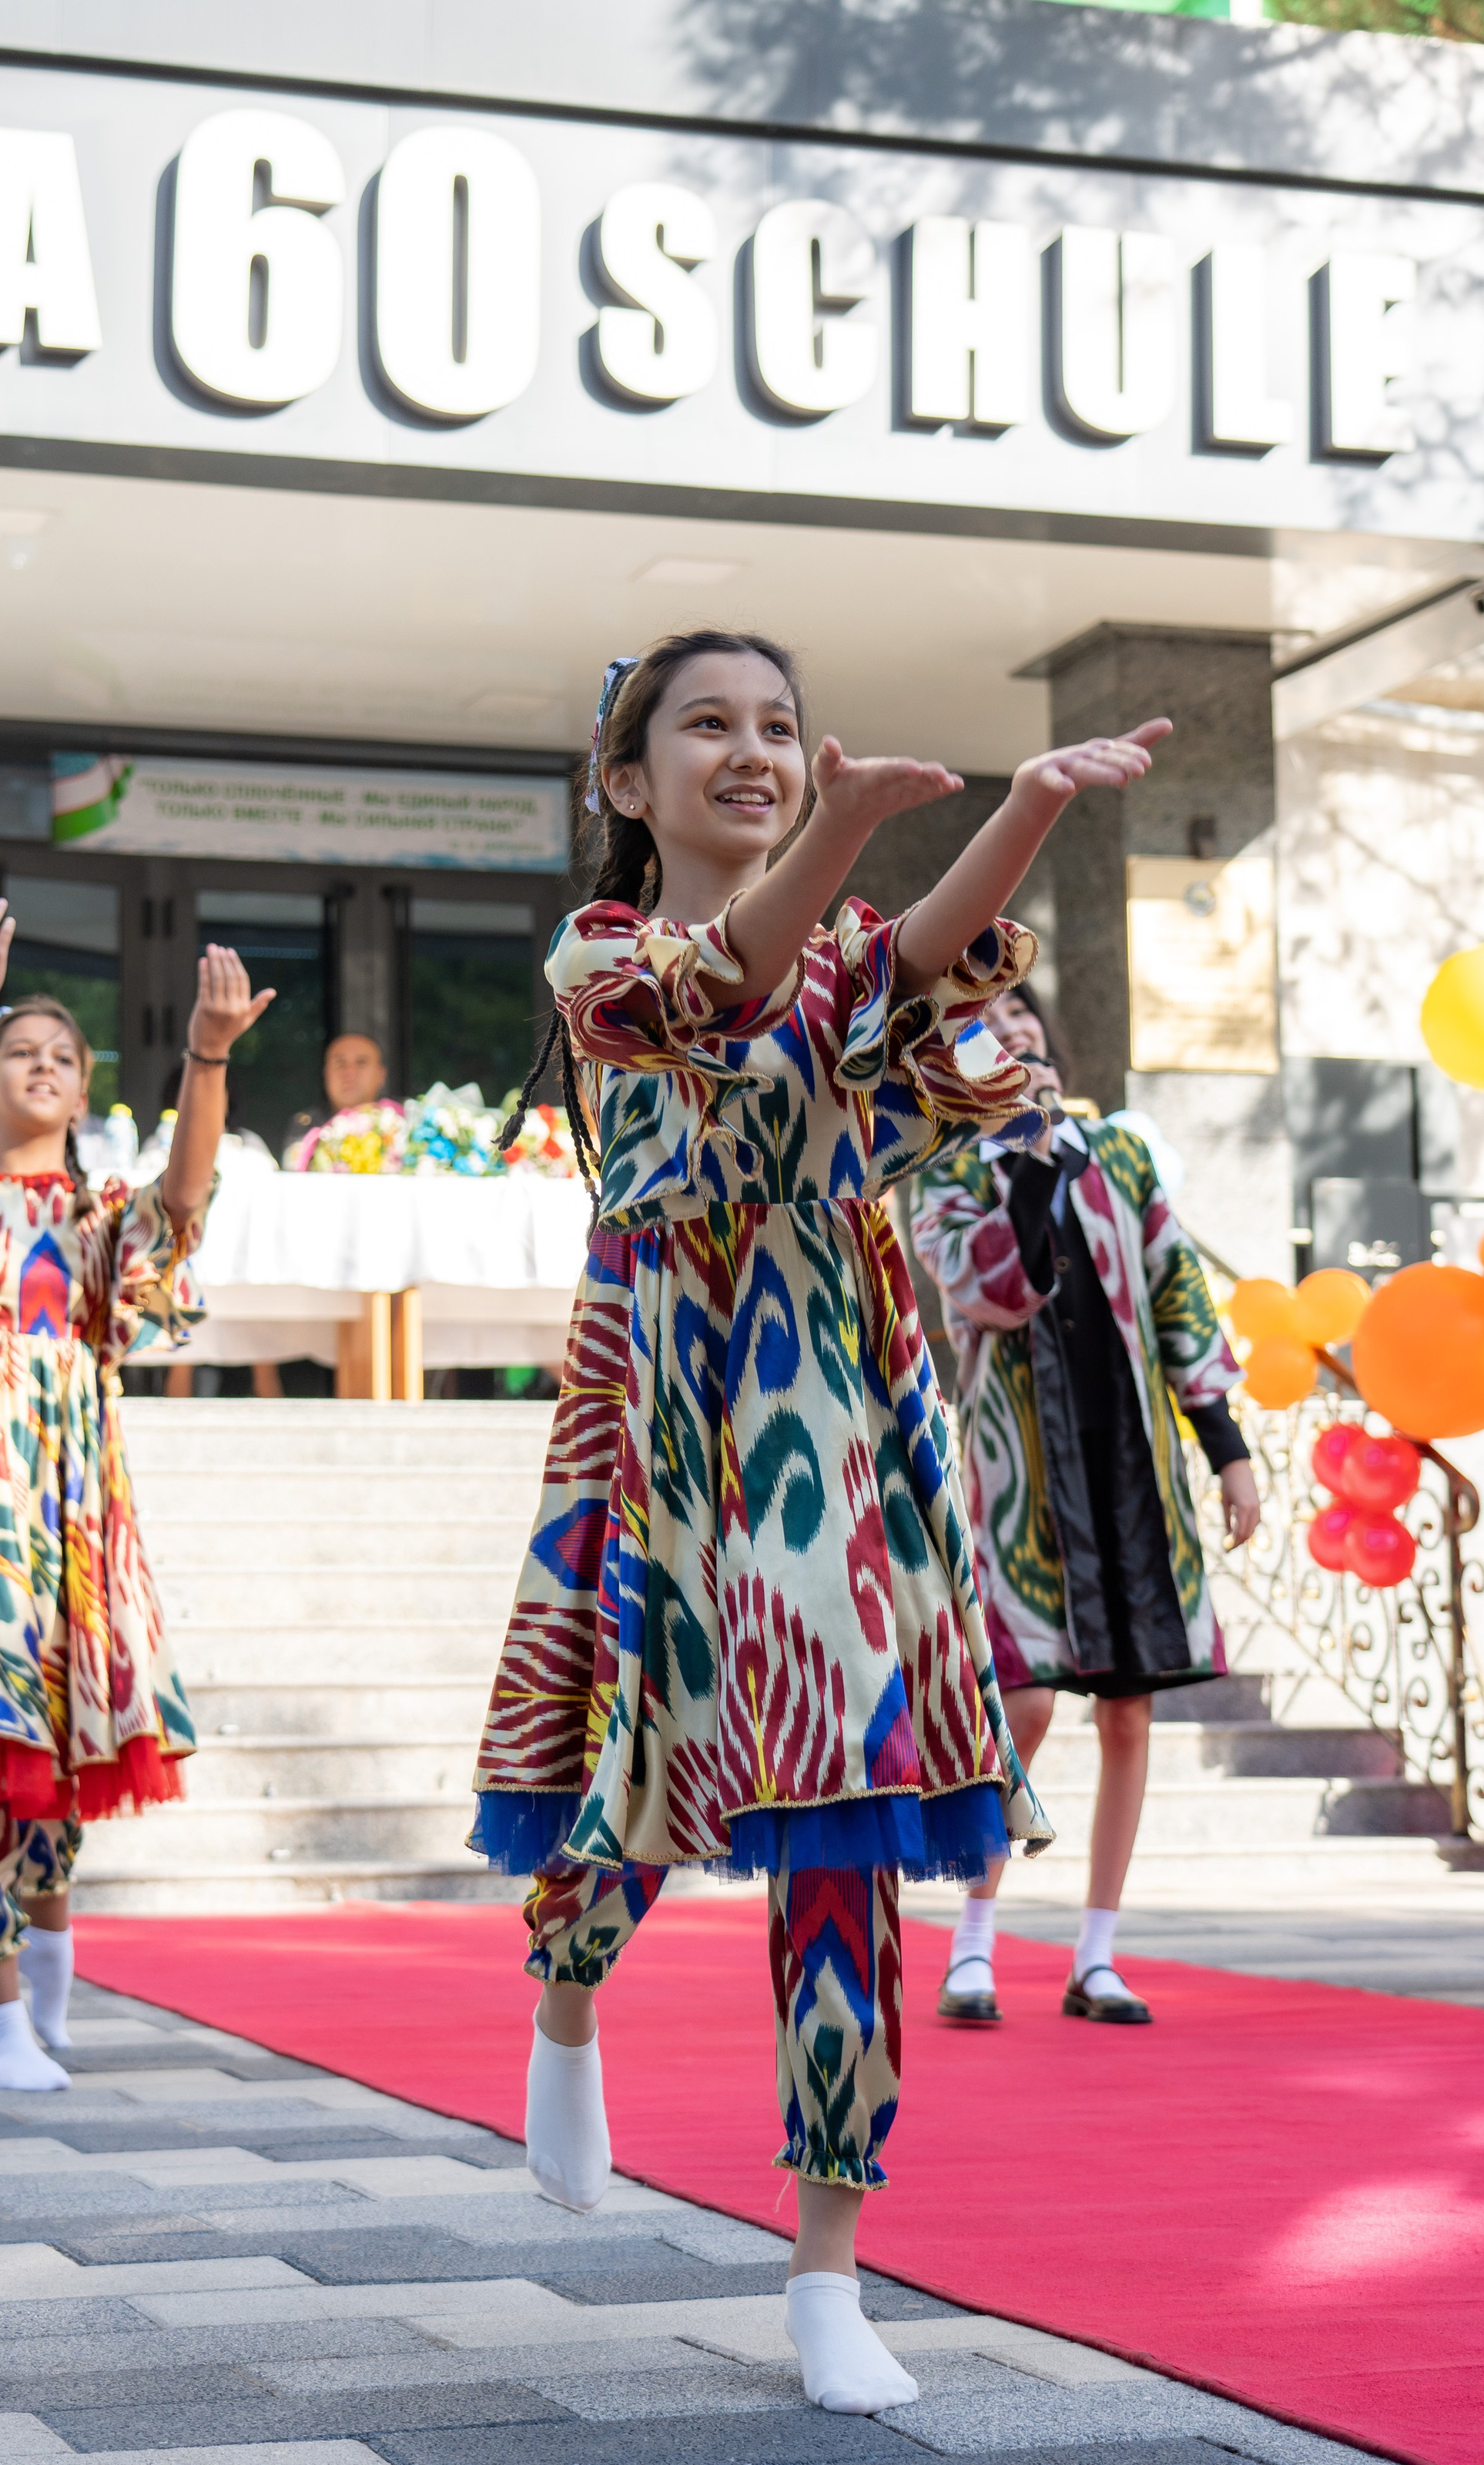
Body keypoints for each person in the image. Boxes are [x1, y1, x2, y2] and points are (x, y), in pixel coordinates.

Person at [469, 628, 1169, 2417]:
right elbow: (723, 988)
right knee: (636, 1788)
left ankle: (824, 2267)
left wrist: (1018, 809)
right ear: (626, 784)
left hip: (845, 1435)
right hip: (669, 1421)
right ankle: (564, 1997)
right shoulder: (604, 955)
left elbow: (917, 973)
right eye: (706, 725)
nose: (753, 749)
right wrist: (847, 831)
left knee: (845, 1829)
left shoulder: (848, 943)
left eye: (779, 727)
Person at [0, 887, 272, 2091]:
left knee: (64, 1729)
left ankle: (53, 1963)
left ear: (83, 1094)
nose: (37, 1065)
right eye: (14, 1052)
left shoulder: (99, 1220)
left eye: (59, 1056)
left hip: (71, 1487)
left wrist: (208, 1058)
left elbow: (184, 1201)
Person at [910, 985, 1261, 2028]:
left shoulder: (1124, 1155)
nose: (1011, 1034)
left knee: (1128, 1710)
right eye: (983, 1029)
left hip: (1131, 1467)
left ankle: (1096, 1955)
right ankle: (973, 1944)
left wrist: (1230, 1452)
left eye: (1022, 1022)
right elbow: (992, 1291)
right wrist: (1022, 1159)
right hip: (1022, 1473)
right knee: (1023, 1700)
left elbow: (1179, 1297)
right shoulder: (949, 1172)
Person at [280, 1030, 390, 1160]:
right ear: (326, 1074)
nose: (350, 1072)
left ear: (381, 1074)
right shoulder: (305, 1127)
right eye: (340, 1064)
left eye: (361, 1063)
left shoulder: (399, 1126)